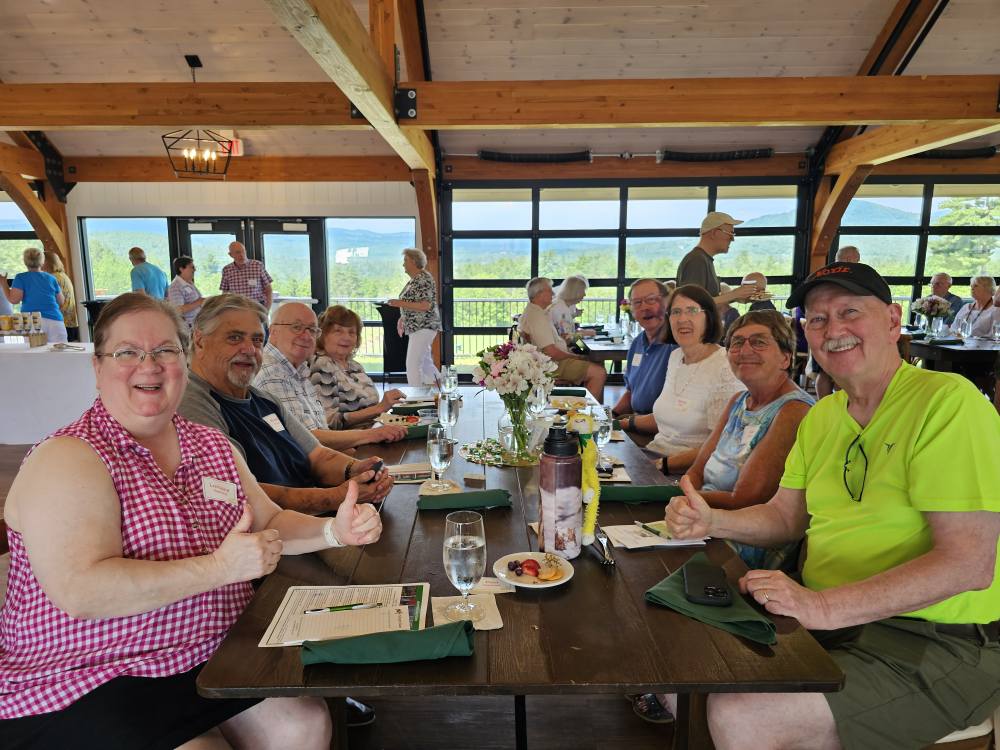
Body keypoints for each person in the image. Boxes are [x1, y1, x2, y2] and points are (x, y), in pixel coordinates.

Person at [0, 293, 382, 747]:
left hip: (207, 655)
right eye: (128, 352)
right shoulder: (70, 457)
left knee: (304, 723)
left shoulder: (209, 444)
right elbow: (82, 592)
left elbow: (270, 520)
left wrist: (333, 531)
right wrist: (219, 568)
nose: (149, 366)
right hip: (90, 673)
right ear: (98, 367)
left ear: (184, 360)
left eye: (165, 350)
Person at [664, 262, 1000, 749]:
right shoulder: (823, 415)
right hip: (830, 620)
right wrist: (712, 520)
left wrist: (820, 605)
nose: (833, 329)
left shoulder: (947, 402)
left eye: (850, 312)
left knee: (744, 715)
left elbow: (969, 563)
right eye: (818, 319)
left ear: (892, 319)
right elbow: (785, 517)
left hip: (934, 636)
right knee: (679, 665)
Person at [178, 294, 393, 514]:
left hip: (314, 518)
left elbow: (317, 455)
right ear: (200, 341)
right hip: (276, 530)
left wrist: (356, 469)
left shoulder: (263, 400)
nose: (249, 349)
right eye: (234, 338)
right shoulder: (191, 403)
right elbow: (238, 493)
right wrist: (337, 497)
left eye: (256, 340)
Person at [621, 284, 744, 474]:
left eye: (692, 311)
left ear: (709, 316)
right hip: (654, 454)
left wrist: (661, 465)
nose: (682, 319)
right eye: (676, 312)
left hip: (687, 472)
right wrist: (622, 422)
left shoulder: (724, 367)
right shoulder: (676, 357)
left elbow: (721, 445)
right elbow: (672, 414)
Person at [253, 302, 407, 450]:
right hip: (342, 449)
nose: (306, 336)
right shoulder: (277, 372)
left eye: (311, 330)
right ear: (273, 331)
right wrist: (375, 426)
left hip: (347, 446)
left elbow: (317, 431)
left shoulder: (299, 369)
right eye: (297, 327)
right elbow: (310, 438)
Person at [310, 305, 406, 428]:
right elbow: (329, 422)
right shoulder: (321, 365)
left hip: (376, 430)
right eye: (338, 331)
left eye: (351, 332)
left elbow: (374, 412)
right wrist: (379, 408)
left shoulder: (355, 366)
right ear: (322, 335)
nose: (346, 337)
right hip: (354, 439)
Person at [518, 276, 607, 402]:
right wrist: (576, 355)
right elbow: (555, 348)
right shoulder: (547, 313)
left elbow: (566, 335)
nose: (553, 293)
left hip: (557, 355)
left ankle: (585, 405)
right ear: (540, 293)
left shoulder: (544, 310)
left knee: (592, 359)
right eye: (550, 290)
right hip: (554, 363)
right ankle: (586, 409)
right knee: (598, 370)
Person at [613, 278, 676, 417]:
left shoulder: (676, 345)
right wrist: (612, 416)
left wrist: (630, 423)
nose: (644, 307)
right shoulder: (637, 343)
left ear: (667, 302)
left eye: (651, 299)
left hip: (662, 425)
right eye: (637, 302)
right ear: (632, 311)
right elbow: (631, 392)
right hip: (637, 420)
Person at [676, 212, 757, 306]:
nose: (732, 239)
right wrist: (734, 294)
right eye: (730, 233)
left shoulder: (703, 259)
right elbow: (692, 304)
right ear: (714, 233)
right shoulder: (697, 260)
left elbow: (708, 300)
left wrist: (737, 297)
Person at [388, 247, 442, 387]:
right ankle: (444, 388)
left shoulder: (423, 279)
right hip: (418, 327)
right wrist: (402, 317)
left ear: (413, 261)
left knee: (412, 364)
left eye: (405, 260)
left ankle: (416, 395)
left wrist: (399, 303)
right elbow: (413, 303)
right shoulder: (415, 280)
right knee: (425, 364)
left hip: (423, 326)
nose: (403, 264)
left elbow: (425, 305)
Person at [0, 247, 67, 343]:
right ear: (42, 262)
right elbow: (61, 301)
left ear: (25, 262)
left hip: (32, 322)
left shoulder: (21, 278)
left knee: (34, 351)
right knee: (60, 350)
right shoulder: (51, 278)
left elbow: (14, 300)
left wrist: (3, 283)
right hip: (55, 321)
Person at [220, 241, 273, 309]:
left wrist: (267, 309)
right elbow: (225, 293)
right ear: (230, 255)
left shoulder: (257, 265)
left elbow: (268, 289)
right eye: (237, 252)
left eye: (243, 251)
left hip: (257, 306)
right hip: (237, 308)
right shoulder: (227, 270)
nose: (241, 255)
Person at [42, 251, 79, 341]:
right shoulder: (62, 276)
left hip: (60, 322)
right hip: (70, 322)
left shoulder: (52, 278)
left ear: (46, 262)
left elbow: (52, 301)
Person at [549, 274, 594, 340]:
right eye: (583, 290)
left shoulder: (562, 305)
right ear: (575, 292)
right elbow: (566, 338)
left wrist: (580, 332)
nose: (584, 294)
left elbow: (568, 334)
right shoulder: (560, 309)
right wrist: (584, 334)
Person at [167, 255, 204, 329]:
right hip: (187, 328)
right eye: (191, 267)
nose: (195, 269)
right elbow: (178, 310)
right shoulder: (175, 286)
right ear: (181, 269)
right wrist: (199, 302)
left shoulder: (188, 282)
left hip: (196, 324)